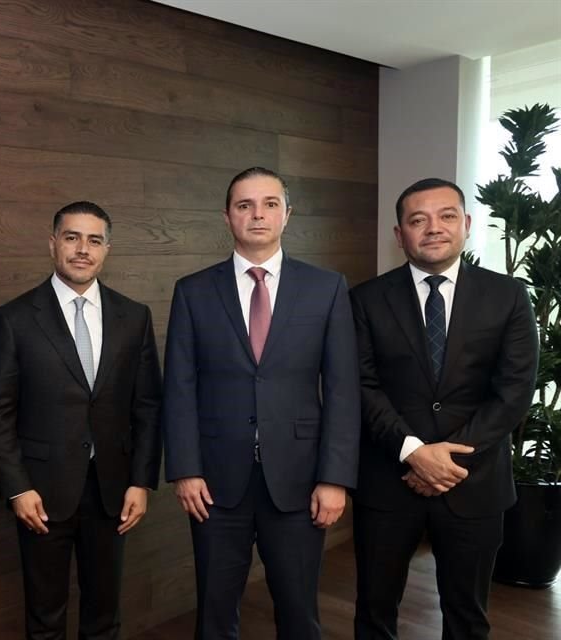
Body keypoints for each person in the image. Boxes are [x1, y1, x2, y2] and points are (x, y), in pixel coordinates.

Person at [162, 167, 361, 640]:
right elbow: (179, 386)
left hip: (298, 480)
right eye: (244, 205)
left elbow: (341, 388)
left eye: (270, 204)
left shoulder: (326, 287)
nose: (257, 214)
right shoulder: (193, 291)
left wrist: (334, 479)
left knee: (298, 612)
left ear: (287, 215)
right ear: (227, 217)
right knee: (214, 611)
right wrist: (185, 469)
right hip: (214, 484)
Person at [350, 177, 538, 640]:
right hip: (388, 482)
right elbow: (360, 384)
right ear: (400, 234)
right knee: (374, 612)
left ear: (467, 224)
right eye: (418, 220)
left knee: (467, 616)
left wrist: (445, 459)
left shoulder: (508, 295)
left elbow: (514, 390)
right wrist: (413, 450)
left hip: (473, 481)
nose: (432, 228)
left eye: (446, 216)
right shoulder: (365, 299)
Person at [0, 201, 163, 640]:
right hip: (40, 495)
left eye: (94, 240)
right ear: (52, 244)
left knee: (104, 615)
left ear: (106, 249)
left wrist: (141, 481)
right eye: (72, 237)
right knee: (45, 617)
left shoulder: (134, 317)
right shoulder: (14, 318)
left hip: (112, 492)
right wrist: (17, 487)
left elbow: (148, 406)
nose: (83, 249)